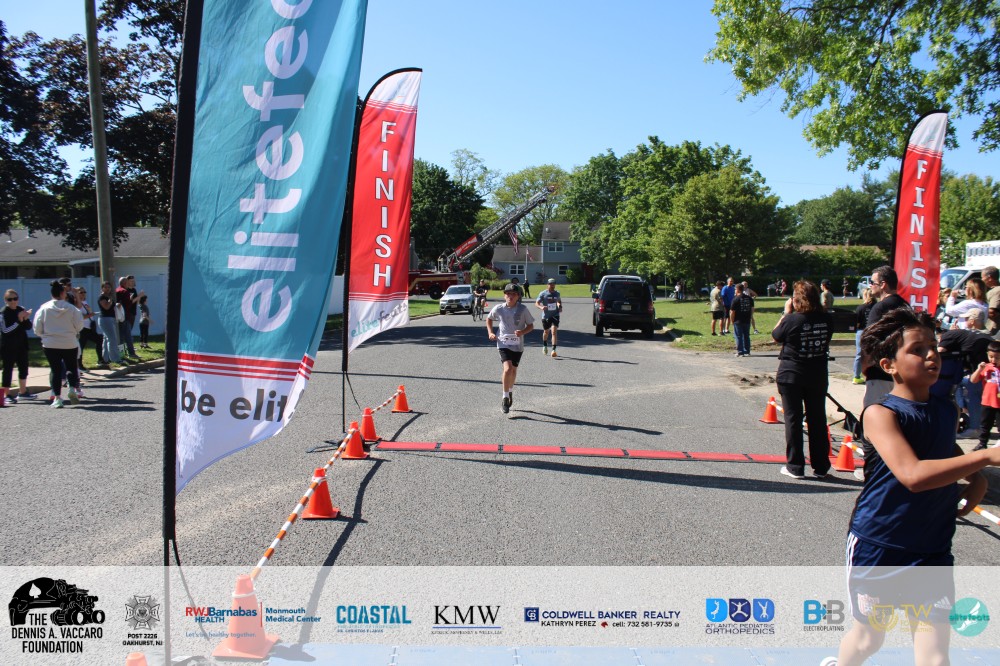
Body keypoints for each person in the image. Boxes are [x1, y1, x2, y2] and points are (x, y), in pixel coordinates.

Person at [836, 308, 1000, 666]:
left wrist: (976, 479)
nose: (931, 356)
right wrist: (986, 457)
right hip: (880, 546)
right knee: (868, 639)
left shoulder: (945, 409)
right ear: (889, 365)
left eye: (934, 348)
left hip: (932, 549)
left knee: (935, 657)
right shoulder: (880, 414)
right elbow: (913, 475)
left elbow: (945, 451)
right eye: (917, 350)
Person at [771, 281, 834, 479]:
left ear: (796, 299)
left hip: (792, 374)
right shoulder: (827, 318)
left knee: (793, 420)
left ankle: (795, 466)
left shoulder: (792, 320)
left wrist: (786, 313)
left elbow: (776, 336)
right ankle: (821, 466)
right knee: (817, 420)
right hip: (817, 374)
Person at [863, 266, 910, 408]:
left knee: (874, 413)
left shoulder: (880, 308)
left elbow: (869, 340)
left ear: (883, 284)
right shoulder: (906, 306)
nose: (870, 286)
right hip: (901, 371)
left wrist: (865, 365)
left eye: (872, 282)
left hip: (879, 372)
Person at [33, 280, 84, 408]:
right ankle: (72, 389)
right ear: (63, 294)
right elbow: (79, 326)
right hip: (69, 342)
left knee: (55, 370)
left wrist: (44, 335)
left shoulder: (44, 308)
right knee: (71, 367)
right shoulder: (72, 309)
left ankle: (57, 398)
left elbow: (37, 328)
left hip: (50, 343)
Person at [486, 283, 534, 414]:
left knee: (513, 370)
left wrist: (522, 332)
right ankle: (505, 397)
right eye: (508, 294)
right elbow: (489, 319)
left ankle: (510, 391)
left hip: (518, 345)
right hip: (503, 343)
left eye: (513, 294)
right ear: (504, 296)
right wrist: (490, 332)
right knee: (507, 369)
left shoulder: (523, 309)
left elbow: (531, 326)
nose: (510, 296)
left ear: (518, 296)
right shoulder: (499, 308)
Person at [1, 289, 33, 403]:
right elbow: (5, 331)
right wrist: (19, 320)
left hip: (21, 345)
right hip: (8, 347)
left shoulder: (20, 309)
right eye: (10, 299)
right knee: (8, 369)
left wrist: (25, 318)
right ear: (5, 300)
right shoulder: (3, 313)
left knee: (23, 368)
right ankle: (7, 394)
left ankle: (23, 392)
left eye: (15, 299)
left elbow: (28, 326)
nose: (13, 301)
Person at [969, 341, 1000, 451]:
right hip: (987, 401)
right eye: (991, 357)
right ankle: (982, 443)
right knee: (985, 425)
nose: (993, 360)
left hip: (999, 403)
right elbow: (973, 380)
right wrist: (979, 369)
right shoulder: (986, 367)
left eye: (997, 358)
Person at [852, 289, 877, 384]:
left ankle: (856, 376)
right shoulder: (877, 307)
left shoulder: (860, 308)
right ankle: (873, 375)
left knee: (859, 354)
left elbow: (857, 322)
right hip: (874, 331)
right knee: (874, 354)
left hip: (862, 331)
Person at [76, 286, 104, 368]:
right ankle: (79, 365)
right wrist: (91, 314)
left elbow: (89, 313)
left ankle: (100, 360)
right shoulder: (77, 304)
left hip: (90, 327)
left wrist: (91, 312)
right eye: (81, 292)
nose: (83, 294)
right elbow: (80, 317)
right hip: (83, 328)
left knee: (99, 340)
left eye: (84, 292)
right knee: (81, 347)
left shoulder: (85, 302)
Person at [535, 278, 563, 358]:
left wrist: (560, 306)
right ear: (547, 284)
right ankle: (545, 345)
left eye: (553, 284)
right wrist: (541, 307)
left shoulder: (557, 293)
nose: (552, 285)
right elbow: (536, 303)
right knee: (546, 332)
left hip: (555, 314)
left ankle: (554, 350)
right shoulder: (543, 293)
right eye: (550, 284)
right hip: (546, 316)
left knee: (554, 331)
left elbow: (558, 301)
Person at [97, 286, 121, 365]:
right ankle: (115, 359)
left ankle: (105, 358)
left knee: (106, 339)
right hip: (105, 319)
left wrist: (116, 304)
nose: (108, 289)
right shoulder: (102, 297)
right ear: (102, 288)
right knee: (112, 339)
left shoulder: (108, 297)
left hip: (110, 319)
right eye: (106, 287)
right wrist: (110, 301)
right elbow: (106, 307)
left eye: (109, 287)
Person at [729, 283, 754, 357]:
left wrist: (732, 320)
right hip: (747, 319)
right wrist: (750, 316)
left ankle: (740, 351)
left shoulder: (735, 299)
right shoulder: (749, 298)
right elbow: (752, 308)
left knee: (738, 336)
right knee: (746, 335)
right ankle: (747, 351)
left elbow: (732, 312)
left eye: (735, 289)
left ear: (738, 290)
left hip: (738, 320)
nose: (735, 290)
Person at [981, 265, 1000, 334]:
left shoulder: (997, 291)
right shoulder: (992, 290)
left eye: (982, 277)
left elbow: (992, 313)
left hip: (991, 330)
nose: (981, 280)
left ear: (989, 278)